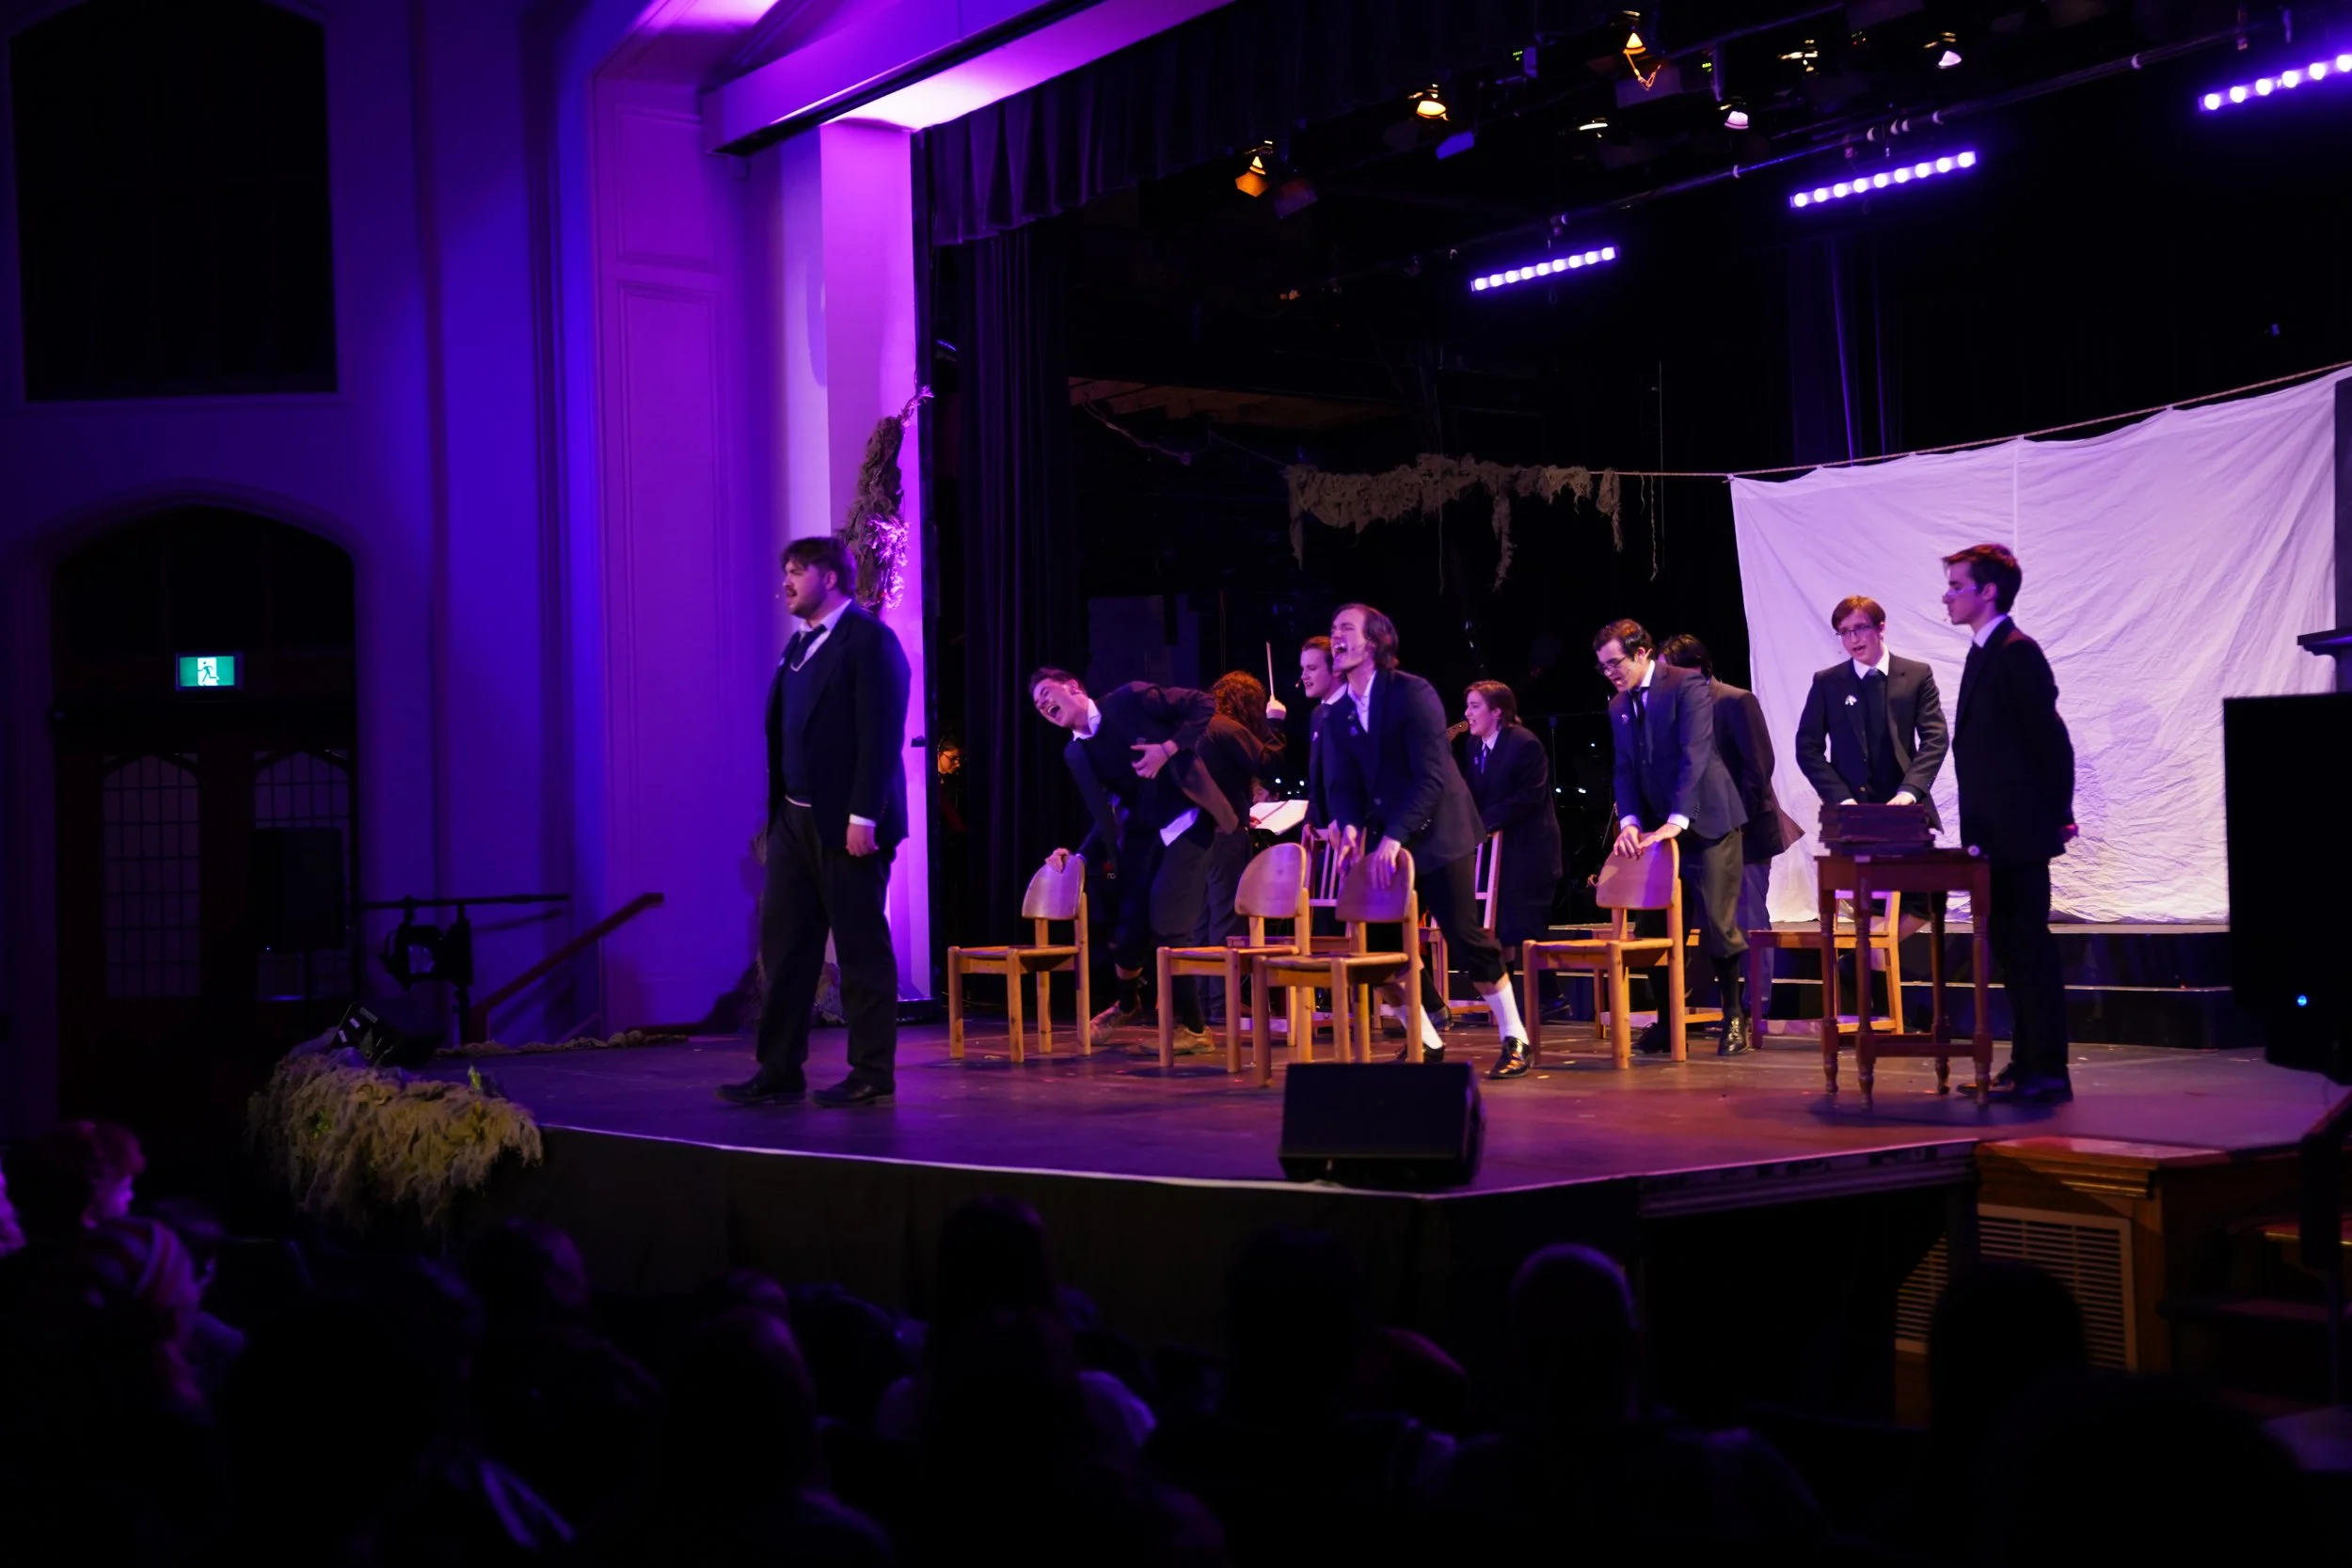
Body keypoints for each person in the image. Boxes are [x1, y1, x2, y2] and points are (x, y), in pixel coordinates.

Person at [721, 534, 912, 1110]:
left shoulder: (869, 642)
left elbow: (880, 738)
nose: (786, 582)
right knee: (785, 949)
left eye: (797, 571)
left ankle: (872, 1071)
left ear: (830, 578)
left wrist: (862, 816)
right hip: (794, 821)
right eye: (786, 571)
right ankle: (779, 1069)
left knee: (859, 949)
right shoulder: (799, 646)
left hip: (850, 824)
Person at [1319, 604, 1531, 1076]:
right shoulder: (1337, 715)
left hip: (1437, 832)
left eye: (1346, 630)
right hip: (1388, 840)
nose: (1335, 638)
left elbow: (1431, 776)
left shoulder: (1412, 694)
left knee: (1464, 936)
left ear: (1373, 642)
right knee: (1376, 949)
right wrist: (1350, 825)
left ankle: (1515, 1036)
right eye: (1332, 630)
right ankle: (1425, 1039)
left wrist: (1393, 837)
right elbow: (1344, 785)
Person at [1030, 669, 1238, 1053]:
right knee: (1127, 931)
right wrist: (1077, 856)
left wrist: (1167, 749)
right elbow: (1105, 813)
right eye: (1038, 704)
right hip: (1142, 833)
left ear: (1073, 687)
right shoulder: (1076, 753)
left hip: (1185, 820)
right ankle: (1127, 1004)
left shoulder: (1129, 699)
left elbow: (1203, 703)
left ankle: (1195, 1030)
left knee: (1169, 922)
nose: (1043, 704)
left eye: (1046, 693)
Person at [1943, 543, 2077, 1103]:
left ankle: (2047, 1069)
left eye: (1957, 586)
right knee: (2012, 953)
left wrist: (2059, 813)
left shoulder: (2018, 652)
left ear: (1988, 591)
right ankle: (2025, 1063)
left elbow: (2050, 741)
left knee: (2029, 950)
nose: (1948, 596)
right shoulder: (1984, 650)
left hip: (2018, 833)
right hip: (1993, 835)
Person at [1596, 619, 1752, 1056]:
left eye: (1615, 663)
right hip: (1656, 832)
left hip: (1707, 823)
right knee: (1653, 928)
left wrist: (1677, 818)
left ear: (1641, 652)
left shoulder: (1686, 685)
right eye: (1603, 666)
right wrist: (1629, 822)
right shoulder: (1618, 705)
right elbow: (1624, 767)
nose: (1610, 672)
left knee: (1718, 926)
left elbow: (1695, 752)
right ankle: (1667, 1020)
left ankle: (1734, 1017)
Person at [1656, 636, 1798, 1012]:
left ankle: (1756, 1008)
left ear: (1697, 667)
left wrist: (1739, 823)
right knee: (1710, 923)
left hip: (1745, 830)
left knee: (1749, 919)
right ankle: (1707, 1006)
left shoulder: (1735, 701)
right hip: (1700, 834)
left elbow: (1757, 768)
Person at [1792, 594, 1949, 825]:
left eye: (1860, 628)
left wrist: (1910, 790)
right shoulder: (1828, 682)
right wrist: (1841, 798)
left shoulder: (1917, 675)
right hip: (1850, 812)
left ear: (1881, 627)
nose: (1852, 639)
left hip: (1906, 809)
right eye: (1844, 631)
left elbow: (1936, 738)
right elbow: (1807, 748)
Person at [1448, 681, 1563, 950]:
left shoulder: (1524, 743)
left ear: (1497, 711)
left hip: (1528, 856)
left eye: (1475, 706)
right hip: (1495, 855)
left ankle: (1549, 993)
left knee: (1526, 935)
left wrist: (1480, 823)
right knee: (1495, 934)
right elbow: (1475, 794)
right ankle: (1498, 990)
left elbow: (1528, 797)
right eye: (1468, 706)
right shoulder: (1474, 746)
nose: (1467, 713)